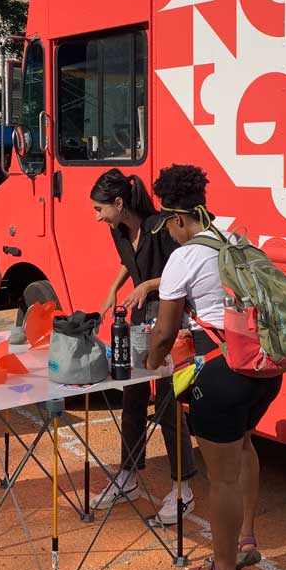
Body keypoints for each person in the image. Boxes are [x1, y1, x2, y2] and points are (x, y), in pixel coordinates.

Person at [146, 164, 282, 570]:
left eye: (166, 223)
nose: (167, 232)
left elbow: (165, 333)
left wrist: (150, 366)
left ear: (178, 218)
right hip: (262, 368)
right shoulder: (236, 240)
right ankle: (245, 540)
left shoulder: (183, 257)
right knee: (244, 447)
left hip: (220, 376)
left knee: (220, 478)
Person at [89, 169, 197, 523]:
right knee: (132, 398)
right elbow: (126, 260)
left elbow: (181, 273)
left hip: (168, 318)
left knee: (168, 403)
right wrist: (112, 289)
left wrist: (148, 285)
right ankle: (128, 476)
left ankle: (183, 490)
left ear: (119, 204)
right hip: (137, 320)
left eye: (100, 209)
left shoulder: (160, 227)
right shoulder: (118, 230)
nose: (97, 216)